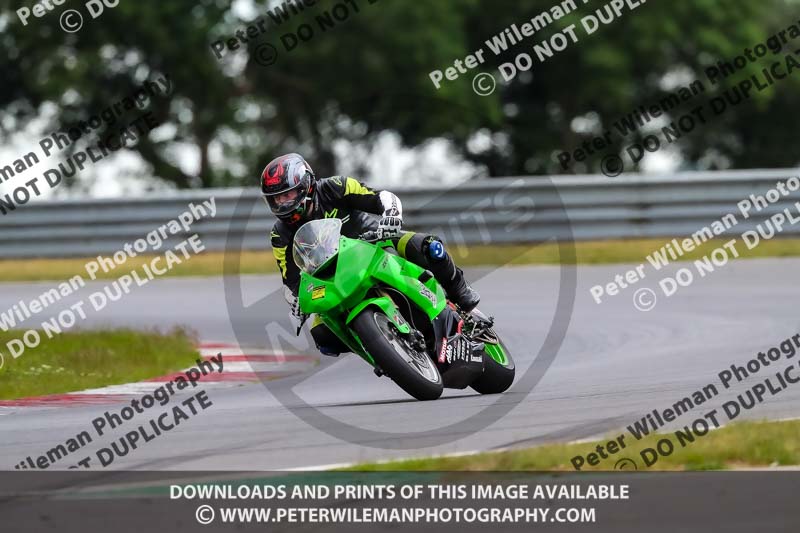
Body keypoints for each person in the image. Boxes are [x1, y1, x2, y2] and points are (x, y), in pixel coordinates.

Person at [261, 153, 480, 355]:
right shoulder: (279, 234)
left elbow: (380, 197)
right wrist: (298, 300)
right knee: (322, 335)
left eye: (286, 195)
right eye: (276, 199)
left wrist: (391, 214)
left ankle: (462, 297)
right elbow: (291, 280)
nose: (282, 203)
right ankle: (380, 351)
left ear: (305, 185)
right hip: (332, 276)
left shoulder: (335, 187)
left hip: (376, 243)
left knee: (431, 247)